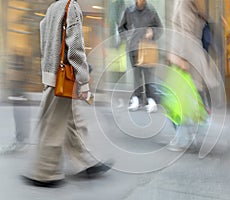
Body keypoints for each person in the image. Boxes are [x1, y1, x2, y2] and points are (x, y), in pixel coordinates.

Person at [22, 0, 112, 187]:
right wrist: (83, 78)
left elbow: (44, 39)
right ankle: (45, 173)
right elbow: (76, 46)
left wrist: (48, 67)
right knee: (53, 125)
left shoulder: (52, 8)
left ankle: (84, 162)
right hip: (63, 78)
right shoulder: (71, 7)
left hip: (52, 73)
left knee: (73, 121)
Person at [162, 0, 213, 151]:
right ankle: (191, 133)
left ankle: (184, 137)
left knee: (181, 100)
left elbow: (185, 30)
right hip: (188, 54)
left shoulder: (184, 2)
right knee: (187, 98)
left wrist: (179, 57)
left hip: (186, 55)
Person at [118, 0, 163, 113]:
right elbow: (121, 28)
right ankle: (136, 100)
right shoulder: (129, 11)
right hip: (133, 49)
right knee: (136, 76)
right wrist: (128, 37)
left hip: (147, 49)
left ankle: (151, 100)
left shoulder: (151, 11)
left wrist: (152, 32)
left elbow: (160, 28)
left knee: (148, 76)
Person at [0, 49, 31, 154]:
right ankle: (21, 140)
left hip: (19, 96)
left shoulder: (19, 68)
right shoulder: (19, 68)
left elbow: (19, 80)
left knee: (20, 118)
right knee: (19, 118)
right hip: (17, 96)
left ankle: (21, 141)